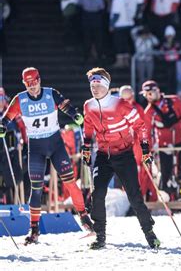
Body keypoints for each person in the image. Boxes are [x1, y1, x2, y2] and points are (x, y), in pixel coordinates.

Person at [0, 67, 93, 244]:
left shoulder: (51, 94)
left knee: (70, 182)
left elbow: (66, 106)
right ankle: (34, 230)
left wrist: (76, 115)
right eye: (28, 84)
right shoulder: (20, 99)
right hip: (36, 147)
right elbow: (6, 117)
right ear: (24, 83)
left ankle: (84, 217)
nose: (32, 87)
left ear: (39, 80)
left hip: (56, 144)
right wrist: (2, 126)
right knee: (36, 188)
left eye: (34, 83)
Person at [82, 68, 159, 249]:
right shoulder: (88, 105)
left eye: (98, 85)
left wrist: (146, 150)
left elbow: (140, 126)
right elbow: (87, 127)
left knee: (134, 196)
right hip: (103, 155)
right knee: (98, 194)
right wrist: (86, 148)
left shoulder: (120, 104)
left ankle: (149, 233)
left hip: (124, 154)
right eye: (92, 85)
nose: (95, 88)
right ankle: (100, 235)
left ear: (106, 86)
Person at [142, 80, 181, 200]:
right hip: (163, 144)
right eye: (146, 94)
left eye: (150, 93)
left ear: (157, 91)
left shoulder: (174, 101)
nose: (148, 97)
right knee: (166, 171)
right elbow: (148, 133)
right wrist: (147, 150)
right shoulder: (149, 112)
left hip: (180, 141)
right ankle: (167, 196)